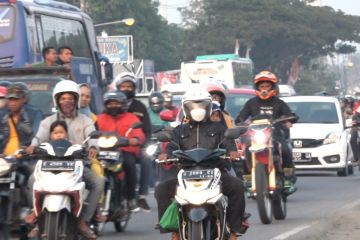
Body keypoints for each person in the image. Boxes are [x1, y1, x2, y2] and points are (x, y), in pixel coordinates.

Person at [155, 88, 245, 240]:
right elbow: (171, 147)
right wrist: (166, 155)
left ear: (209, 107)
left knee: (238, 187)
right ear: (186, 108)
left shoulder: (219, 128)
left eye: (201, 105)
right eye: (193, 106)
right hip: (185, 173)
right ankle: (174, 231)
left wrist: (232, 152)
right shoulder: (179, 131)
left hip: (215, 172)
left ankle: (234, 231)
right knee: (161, 190)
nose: (197, 109)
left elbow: (228, 142)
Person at [26, 80, 104, 239]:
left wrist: (94, 147)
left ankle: (84, 221)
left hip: (77, 164)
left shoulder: (85, 120)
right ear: (57, 100)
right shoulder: (48, 121)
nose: (67, 102)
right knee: (31, 180)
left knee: (98, 182)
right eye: (63, 98)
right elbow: (39, 136)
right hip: (50, 164)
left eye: (70, 98)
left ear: (76, 100)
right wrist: (33, 146)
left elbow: (92, 136)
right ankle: (36, 217)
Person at [235, 70, 297, 191]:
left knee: (285, 149)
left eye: (267, 86)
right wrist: (241, 123)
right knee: (246, 151)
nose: (264, 89)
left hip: (276, 134)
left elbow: (290, 115)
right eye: (262, 86)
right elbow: (240, 118)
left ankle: (288, 178)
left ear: (273, 87)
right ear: (257, 87)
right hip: (256, 135)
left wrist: (289, 120)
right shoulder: (251, 103)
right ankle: (248, 178)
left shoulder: (279, 103)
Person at [97, 90, 146, 212]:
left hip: (124, 150)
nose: (113, 106)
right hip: (104, 151)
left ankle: (130, 199)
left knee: (129, 165)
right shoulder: (100, 118)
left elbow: (138, 134)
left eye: (116, 103)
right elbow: (92, 132)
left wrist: (134, 139)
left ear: (123, 104)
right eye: (110, 103)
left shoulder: (131, 118)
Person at [113, 72, 152, 212]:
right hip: (112, 145)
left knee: (147, 159)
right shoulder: (111, 105)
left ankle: (141, 195)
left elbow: (147, 129)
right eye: (123, 86)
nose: (126, 89)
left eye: (129, 86)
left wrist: (141, 143)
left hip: (135, 144)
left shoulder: (140, 107)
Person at [0, 83, 42, 156]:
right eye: (10, 99)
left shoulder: (33, 114)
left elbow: (36, 137)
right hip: (4, 159)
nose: (12, 103)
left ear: (24, 99)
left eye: (16, 99)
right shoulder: (3, 114)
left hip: (24, 158)